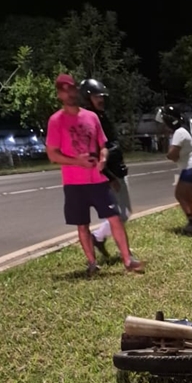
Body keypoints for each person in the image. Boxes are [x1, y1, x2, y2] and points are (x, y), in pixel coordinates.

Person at [46, 74, 143, 275]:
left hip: (98, 180)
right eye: (64, 90)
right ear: (59, 95)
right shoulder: (56, 121)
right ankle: (92, 263)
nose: (69, 93)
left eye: (71, 88)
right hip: (74, 183)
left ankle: (127, 259)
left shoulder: (92, 117)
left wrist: (103, 159)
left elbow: (103, 145)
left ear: (76, 91)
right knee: (82, 224)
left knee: (115, 217)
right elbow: (52, 154)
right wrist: (77, 161)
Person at [79, 78, 132, 261]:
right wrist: (110, 177)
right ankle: (110, 244)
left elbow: (111, 144)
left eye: (101, 96)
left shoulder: (101, 117)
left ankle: (99, 238)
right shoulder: (89, 122)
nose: (101, 99)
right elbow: (95, 153)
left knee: (123, 213)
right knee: (120, 214)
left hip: (117, 169)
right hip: (110, 174)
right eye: (96, 96)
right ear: (87, 98)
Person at [159, 105, 192, 236]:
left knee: (182, 196)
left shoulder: (179, 133)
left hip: (190, 168)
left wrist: (169, 155)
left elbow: (172, 154)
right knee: (187, 197)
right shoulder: (181, 131)